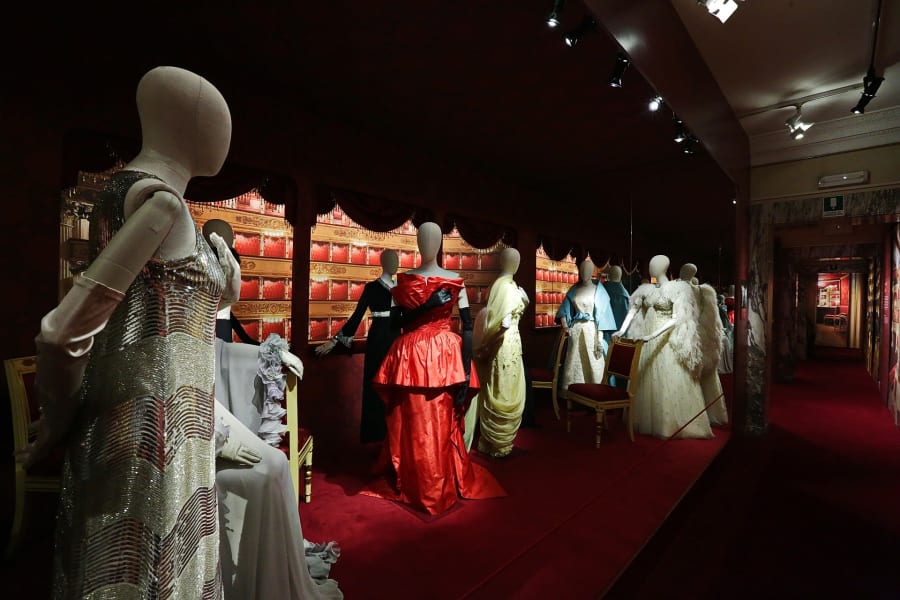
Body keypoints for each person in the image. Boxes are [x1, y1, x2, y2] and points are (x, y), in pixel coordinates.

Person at [20, 66, 233, 597]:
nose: (227, 134)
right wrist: (57, 418)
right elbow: (61, 331)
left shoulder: (121, 190)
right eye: (220, 117)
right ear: (189, 120)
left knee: (113, 568)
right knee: (148, 571)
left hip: (146, 415)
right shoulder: (163, 205)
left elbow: (189, 298)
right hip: (155, 431)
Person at [368, 222, 505, 515]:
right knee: (412, 422)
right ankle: (417, 482)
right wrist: (427, 305)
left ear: (440, 243)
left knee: (441, 422)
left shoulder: (455, 280)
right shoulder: (403, 281)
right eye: (423, 238)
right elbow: (394, 325)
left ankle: (438, 483)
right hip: (412, 357)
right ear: (418, 242)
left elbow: (468, 326)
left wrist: (465, 373)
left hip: (444, 357)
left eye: (431, 239)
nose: (427, 243)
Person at [213, 338, 343, 600]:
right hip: (177, 422)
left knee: (277, 462)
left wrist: (269, 355)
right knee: (260, 477)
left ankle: (274, 582)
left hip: (204, 402)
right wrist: (213, 441)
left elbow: (216, 349)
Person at [613, 255, 713, 439]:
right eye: (651, 264)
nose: (652, 267)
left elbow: (676, 318)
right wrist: (622, 330)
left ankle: (668, 424)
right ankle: (645, 420)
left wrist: (653, 335)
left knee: (667, 380)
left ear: (664, 267)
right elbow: (633, 310)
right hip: (645, 340)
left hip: (665, 341)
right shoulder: (646, 290)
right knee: (645, 378)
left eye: (656, 265)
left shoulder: (677, 289)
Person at [314, 249, 400, 444]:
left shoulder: (401, 287)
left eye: (396, 260)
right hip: (378, 339)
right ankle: (375, 436)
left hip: (396, 339)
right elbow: (357, 315)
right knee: (375, 385)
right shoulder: (371, 288)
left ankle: (395, 435)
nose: (395, 264)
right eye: (391, 260)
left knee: (396, 386)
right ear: (383, 263)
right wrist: (335, 341)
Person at [472, 248, 530, 458]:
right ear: (516, 264)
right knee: (504, 388)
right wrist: (492, 341)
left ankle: (490, 441)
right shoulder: (508, 288)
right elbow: (504, 323)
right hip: (507, 343)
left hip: (506, 343)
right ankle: (499, 444)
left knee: (496, 385)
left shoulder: (499, 285)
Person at [555, 259, 617, 390]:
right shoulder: (574, 289)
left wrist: (599, 339)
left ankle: (595, 390)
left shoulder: (599, 291)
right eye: (582, 269)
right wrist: (565, 326)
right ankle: (572, 390)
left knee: (593, 360)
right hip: (576, 330)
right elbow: (564, 310)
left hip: (591, 330)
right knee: (573, 359)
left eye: (587, 270)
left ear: (592, 271)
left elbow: (603, 316)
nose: (584, 272)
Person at [203, 218, 260, 345]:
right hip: (211, 324)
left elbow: (225, 306)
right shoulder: (229, 266)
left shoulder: (208, 264)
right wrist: (247, 339)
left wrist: (247, 339)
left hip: (216, 323)